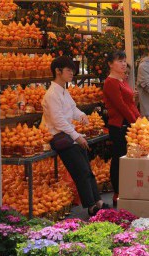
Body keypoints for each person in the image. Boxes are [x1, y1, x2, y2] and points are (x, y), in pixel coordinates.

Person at [42, 56, 108, 216]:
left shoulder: (64, 91)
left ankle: (97, 201)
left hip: (69, 134)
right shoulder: (51, 94)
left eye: (73, 70)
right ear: (58, 71)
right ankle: (91, 206)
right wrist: (76, 136)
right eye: (68, 70)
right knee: (81, 171)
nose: (72, 73)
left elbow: (72, 109)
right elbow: (58, 121)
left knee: (87, 169)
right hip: (60, 137)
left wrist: (83, 116)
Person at [102, 51, 140, 207]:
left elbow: (130, 104)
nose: (123, 64)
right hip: (119, 126)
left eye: (124, 61)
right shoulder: (110, 82)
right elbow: (121, 106)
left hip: (128, 124)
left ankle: (126, 190)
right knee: (119, 159)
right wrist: (135, 122)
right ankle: (117, 192)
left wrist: (139, 120)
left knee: (127, 159)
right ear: (110, 64)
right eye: (119, 61)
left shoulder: (122, 80)